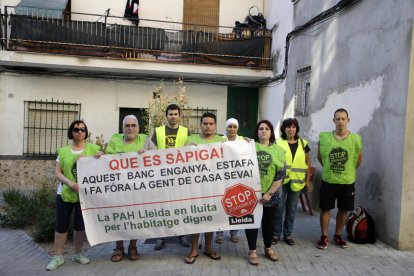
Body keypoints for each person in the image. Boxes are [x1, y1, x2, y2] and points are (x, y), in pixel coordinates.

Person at [46, 120, 100, 271]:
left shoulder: (93, 149)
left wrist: (100, 156)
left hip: (84, 196)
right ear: (71, 132)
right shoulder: (63, 151)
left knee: (80, 225)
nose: (80, 132)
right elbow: (57, 172)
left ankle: (78, 254)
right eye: (76, 129)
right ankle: (57, 256)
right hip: (64, 193)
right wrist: (70, 183)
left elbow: (100, 167)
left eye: (83, 129)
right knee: (61, 225)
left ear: (86, 132)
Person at [105, 115, 155, 262]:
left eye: (133, 125)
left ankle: (133, 247)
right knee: (118, 218)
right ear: (123, 128)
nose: (130, 128)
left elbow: (157, 156)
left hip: (138, 189)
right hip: (118, 188)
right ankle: (118, 248)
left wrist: (147, 154)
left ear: (138, 128)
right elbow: (106, 160)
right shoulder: (115, 140)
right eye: (127, 126)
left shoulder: (145, 140)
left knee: (135, 218)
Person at [317, 108, 362, 249]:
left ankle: (337, 235)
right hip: (328, 180)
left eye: (343, 119)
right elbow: (320, 157)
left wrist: (348, 171)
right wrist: (329, 168)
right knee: (325, 209)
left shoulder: (356, 139)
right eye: (338, 119)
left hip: (347, 182)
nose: (340, 121)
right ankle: (324, 236)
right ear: (334, 121)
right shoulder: (325, 137)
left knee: (344, 209)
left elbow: (358, 160)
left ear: (348, 120)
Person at [184, 112, 225, 264]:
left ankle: (208, 247)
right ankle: (193, 249)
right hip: (196, 187)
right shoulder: (191, 139)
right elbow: (181, 160)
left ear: (215, 126)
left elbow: (236, 153)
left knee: (211, 218)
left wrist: (247, 143)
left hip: (215, 187)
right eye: (205, 123)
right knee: (196, 217)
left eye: (211, 124)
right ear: (200, 125)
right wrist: (187, 149)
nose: (208, 126)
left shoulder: (222, 140)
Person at [245, 120, 286, 266]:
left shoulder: (279, 151)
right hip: (251, 194)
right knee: (251, 223)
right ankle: (252, 251)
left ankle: (268, 248)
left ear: (271, 132)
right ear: (257, 132)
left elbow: (281, 175)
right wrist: (242, 142)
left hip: (271, 195)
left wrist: (269, 194)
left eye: (267, 128)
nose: (263, 131)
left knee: (268, 223)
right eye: (261, 128)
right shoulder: (248, 146)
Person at [151, 104, 191, 250]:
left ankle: (182, 235)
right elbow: (152, 150)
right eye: (170, 114)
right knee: (162, 207)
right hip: (162, 175)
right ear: (166, 115)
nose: (173, 116)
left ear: (179, 116)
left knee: (180, 206)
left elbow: (190, 151)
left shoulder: (186, 131)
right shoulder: (158, 131)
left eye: (175, 114)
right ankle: (161, 237)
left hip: (180, 176)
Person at [273, 118, 311, 246]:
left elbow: (307, 163)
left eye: (293, 127)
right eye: (288, 127)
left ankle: (288, 235)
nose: (291, 129)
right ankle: (276, 234)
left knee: (291, 209)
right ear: (284, 129)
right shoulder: (278, 143)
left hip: (297, 181)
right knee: (279, 208)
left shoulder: (303, 143)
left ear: (297, 128)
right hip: (281, 181)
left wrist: (308, 181)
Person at [215, 118, 243, 244]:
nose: (232, 129)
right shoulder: (219, 139)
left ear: (237, 128)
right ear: (226, 128)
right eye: (229, 126)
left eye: (234, 127)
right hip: (222, 179)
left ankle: (234, 233)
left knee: (236, 205)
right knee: (221, 206)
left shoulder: (242, 140)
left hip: (237, 178)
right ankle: (219, 234)